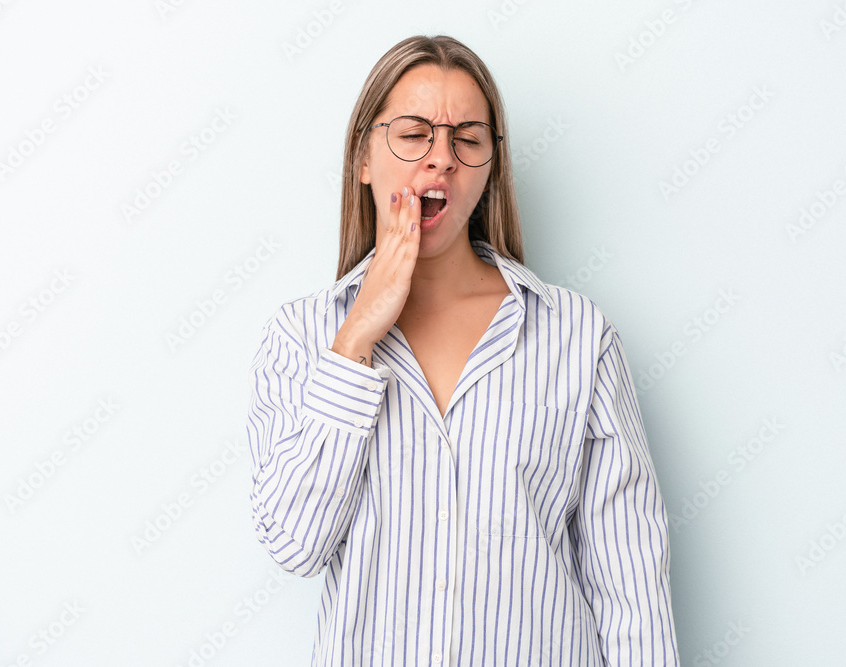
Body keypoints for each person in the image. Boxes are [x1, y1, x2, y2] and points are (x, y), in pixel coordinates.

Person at [246, 34, 679, 666]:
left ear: (489, 169)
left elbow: (631, 583)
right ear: (365, 156)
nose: (441, 159)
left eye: (468, 139)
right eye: (415, 134)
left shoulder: (576, 336)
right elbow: (294, 543)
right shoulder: (299, 337)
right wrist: (356, 338)